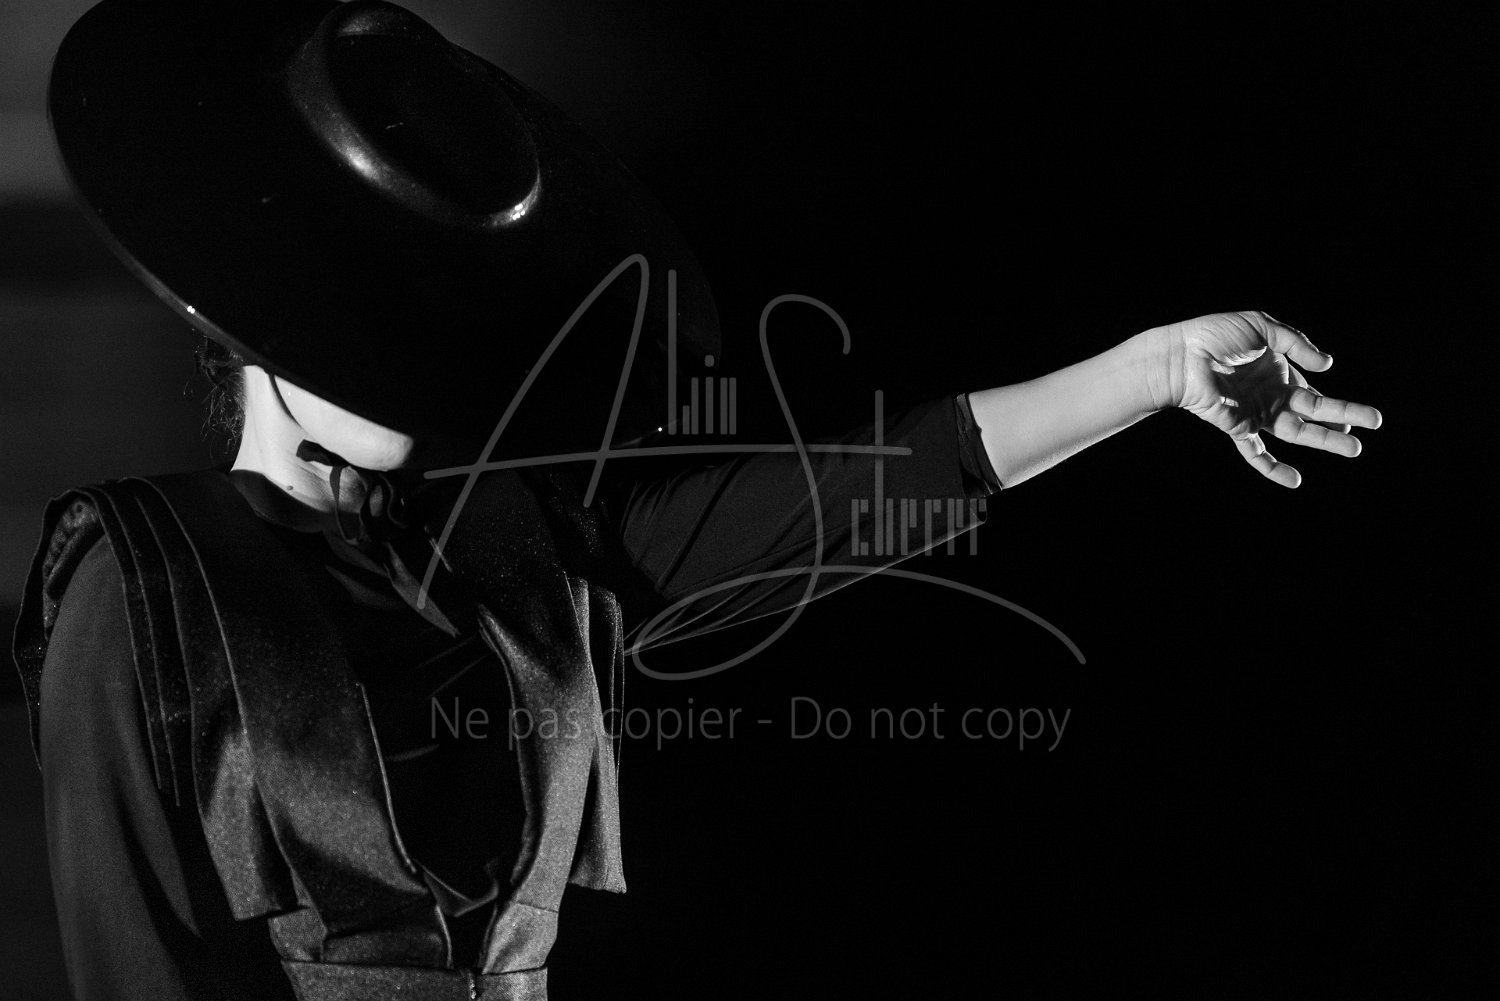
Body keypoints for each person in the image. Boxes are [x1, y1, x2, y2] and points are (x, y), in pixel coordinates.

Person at [14, 2, 1383, 999]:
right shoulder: (142, 575)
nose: (399, 356)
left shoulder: (521, 551)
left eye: (418, 306)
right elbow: (131, 957)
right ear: (242, 313)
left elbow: (872, 491)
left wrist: (1148, 374)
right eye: (348, 309)